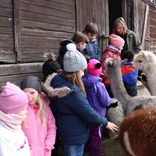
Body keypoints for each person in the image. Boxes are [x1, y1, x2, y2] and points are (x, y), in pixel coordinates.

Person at [45, 49, 118, 156]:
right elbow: (87, 112)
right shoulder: (73, 91)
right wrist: (105, 122)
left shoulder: (56, 80)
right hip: (75, 132)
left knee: (68, 151)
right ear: (75, 71)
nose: (83, 74)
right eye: (82, 71)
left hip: (65, 127)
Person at [82, 59, 112, 156]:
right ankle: (95, 152)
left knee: (87, 131)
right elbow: (105, 101)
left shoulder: (81, 81)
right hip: (97, 115)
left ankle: (86, 147)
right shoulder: (99, 85)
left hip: (85, 113)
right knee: (96, 134)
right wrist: (110, 101)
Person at [21, 76, 56, 156]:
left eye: (32, 93)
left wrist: (48, 145)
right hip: (27, 152)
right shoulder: (21, 110)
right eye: (25, 93)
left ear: (39, 93)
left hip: (44, 151)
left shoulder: (45, 108)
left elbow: (51, 128)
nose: (29, 96)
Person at [0, 82, 31, 156]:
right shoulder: (3, 136)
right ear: (12, 111)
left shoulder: (12, 125)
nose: (26, 111)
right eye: (23, 109)